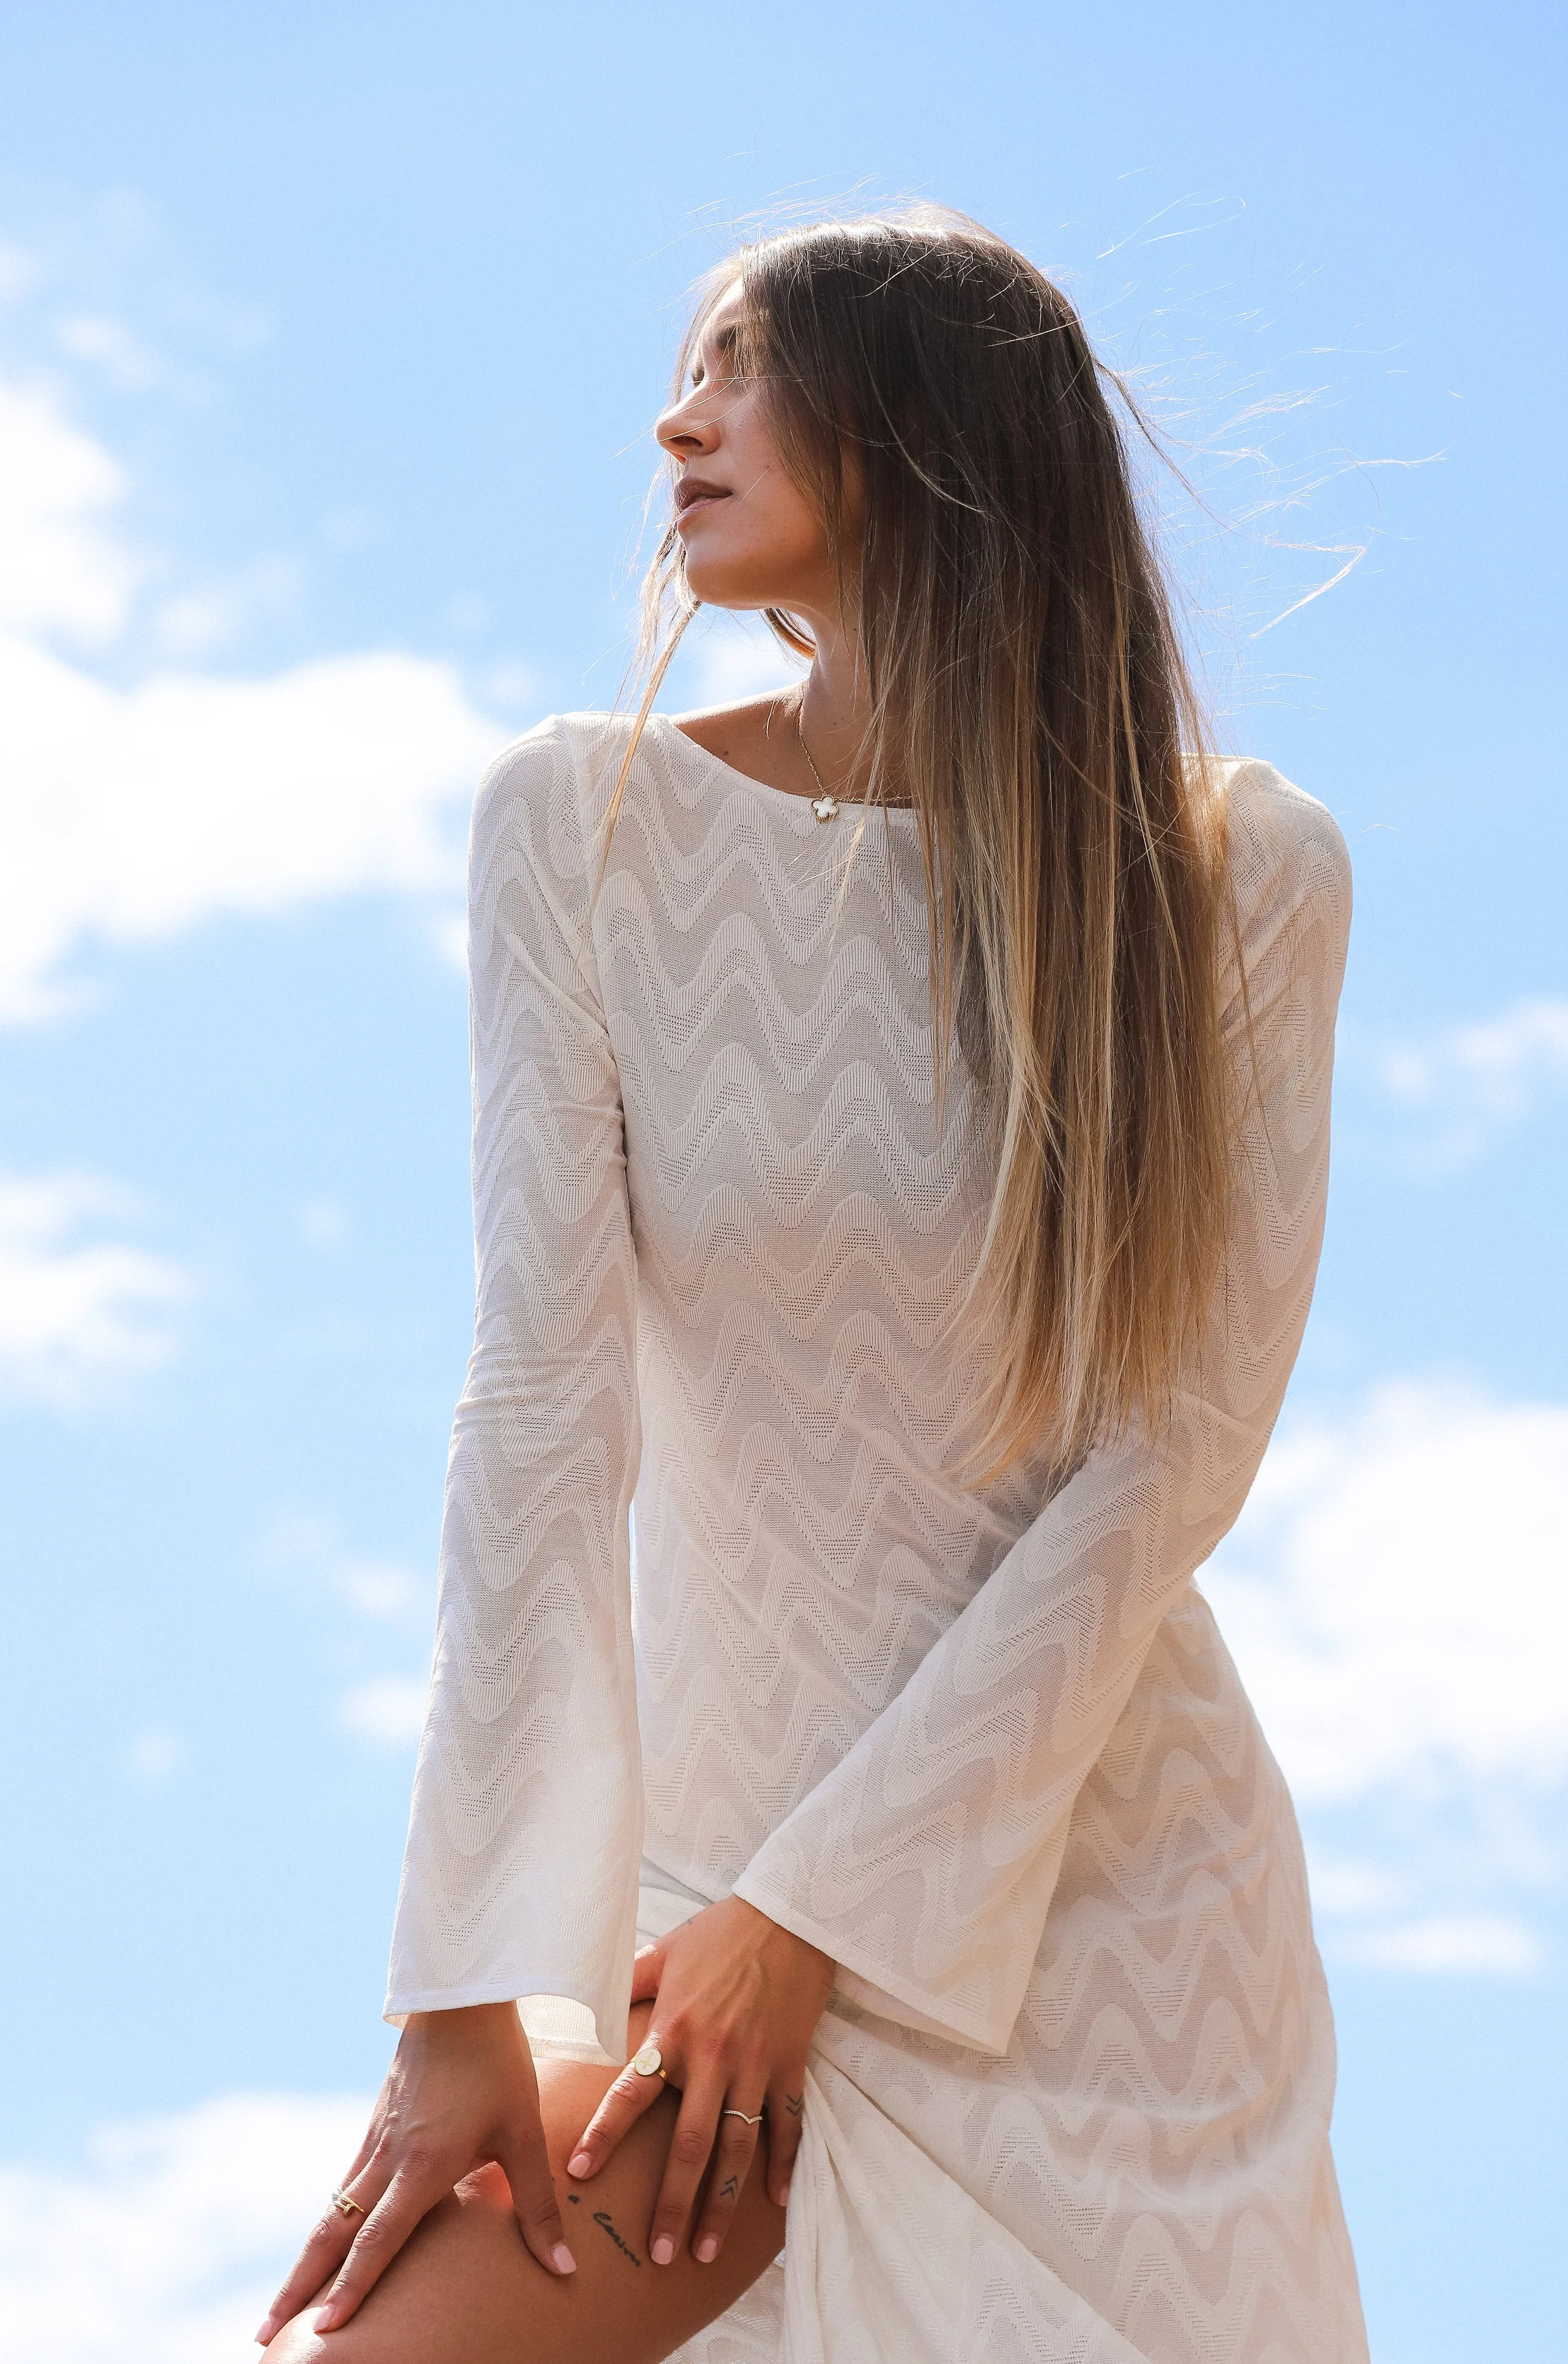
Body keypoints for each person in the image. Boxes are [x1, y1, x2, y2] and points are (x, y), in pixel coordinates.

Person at [257, 209, 1368, 2364]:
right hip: (704, 1906)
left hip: (1077, 1922)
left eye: (744, 366)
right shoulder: (580, 822)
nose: (678, 420)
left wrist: (822, 1912)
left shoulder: (1237, 873)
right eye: (689, 367)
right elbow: (540, 1407)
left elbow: (1170, 1456)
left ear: (928, 424)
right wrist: (461, 1984)